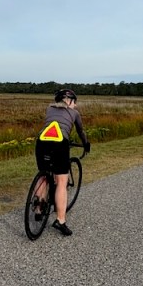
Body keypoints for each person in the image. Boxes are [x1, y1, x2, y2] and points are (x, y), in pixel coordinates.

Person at [34, 88, 90, 236]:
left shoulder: (49, 109)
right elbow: (80, 131)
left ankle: (38, 209)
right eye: (74, 102)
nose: (75, 105)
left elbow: (56, 122)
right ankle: (61, 220)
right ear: (69, 101)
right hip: (60, 143)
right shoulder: (74, 113)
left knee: (43, 175)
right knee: (61, 181)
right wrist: (86, 144)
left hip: (42, 142)